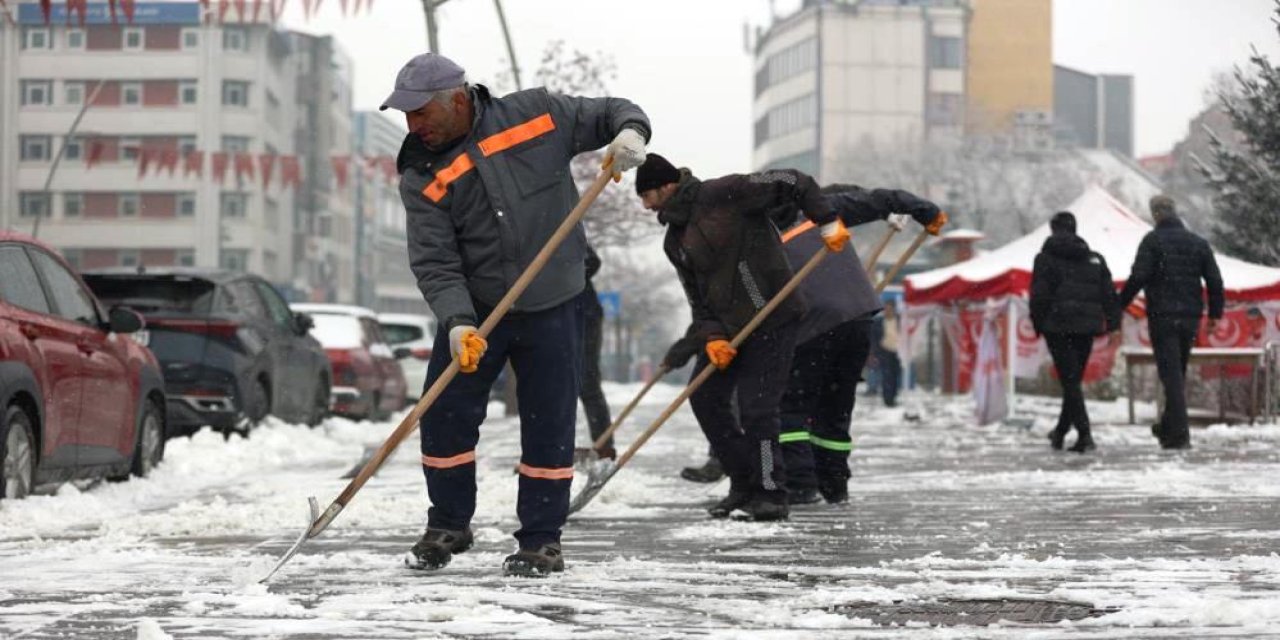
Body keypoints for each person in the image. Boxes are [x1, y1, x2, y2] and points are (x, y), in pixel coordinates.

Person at [384, 52, 650, 577]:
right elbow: (435, 259)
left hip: (554, 299)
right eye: (407, 115)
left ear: (456, 100)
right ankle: (448, 523)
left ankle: (541, 540)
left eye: (421, 113)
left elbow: (614, 111)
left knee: (549, 421)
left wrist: (630, 134)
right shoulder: (420, 171)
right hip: (478, 311)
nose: (414, 126)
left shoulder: (537, 114)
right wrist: (457, 322)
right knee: (444, 415)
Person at [636, 153, 848, 522]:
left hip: (773, 316)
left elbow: (794, 180)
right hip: (729, 329)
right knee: (705, 398)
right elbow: (697, 299)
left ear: (667, 186)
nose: (645, 205)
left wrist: (826, 220)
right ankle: (743, 483)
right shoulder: (675, 241)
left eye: (647, 195)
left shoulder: (727, 193)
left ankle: (770, 493)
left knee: (758, 409)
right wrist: (713, 336)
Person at [777, 184, 944, 505]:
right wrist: (922, 210)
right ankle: (834, 484)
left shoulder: (760, 232)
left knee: (791, 406)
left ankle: (800, 484)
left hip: (811, 324)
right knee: (835, 406)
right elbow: (874, 199)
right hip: (858, 318)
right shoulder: (822, 211)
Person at [1118, 195, 1223, 450]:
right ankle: (1167, 428)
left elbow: (1138, 276)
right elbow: (1214, 280)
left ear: (1155, 214)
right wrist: (1214, 314)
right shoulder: (1198, 243)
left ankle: (1181, 434)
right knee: (1177, 372)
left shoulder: (1152, 241)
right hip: (1190, 317)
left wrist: (1118, 304)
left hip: (1163, 316)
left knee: (1171, 374)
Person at [1029, 211, 1121, 453]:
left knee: (1070, 381)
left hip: (1057, 327)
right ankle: (1060, 432)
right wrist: (1114, 324)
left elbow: (1039, 295)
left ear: (1053, 230)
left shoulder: (1045, 259)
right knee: (1073, 381)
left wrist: (1038, 324)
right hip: (1086, 328)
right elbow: (1109, 294)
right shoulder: (1094, 259)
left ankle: (1085, 435)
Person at [579, 244, 615, 459]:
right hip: (546, 314)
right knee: (549, 383)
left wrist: (561, 275)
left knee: (587, 380)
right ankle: (548, 448)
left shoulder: (560, 228)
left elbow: (592, 261)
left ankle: (604, 446)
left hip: (583, 314)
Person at [874, 303, 903, 408]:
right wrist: (875, 351)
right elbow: (874, 337)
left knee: (895, 374)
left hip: (898, 351)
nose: (888, 311)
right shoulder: (878, 322)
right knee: (886, 375)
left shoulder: (900, 321)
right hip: (884, 351)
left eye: (890, 309)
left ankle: (893, 396)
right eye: (886, 309)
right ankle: (887, 398)